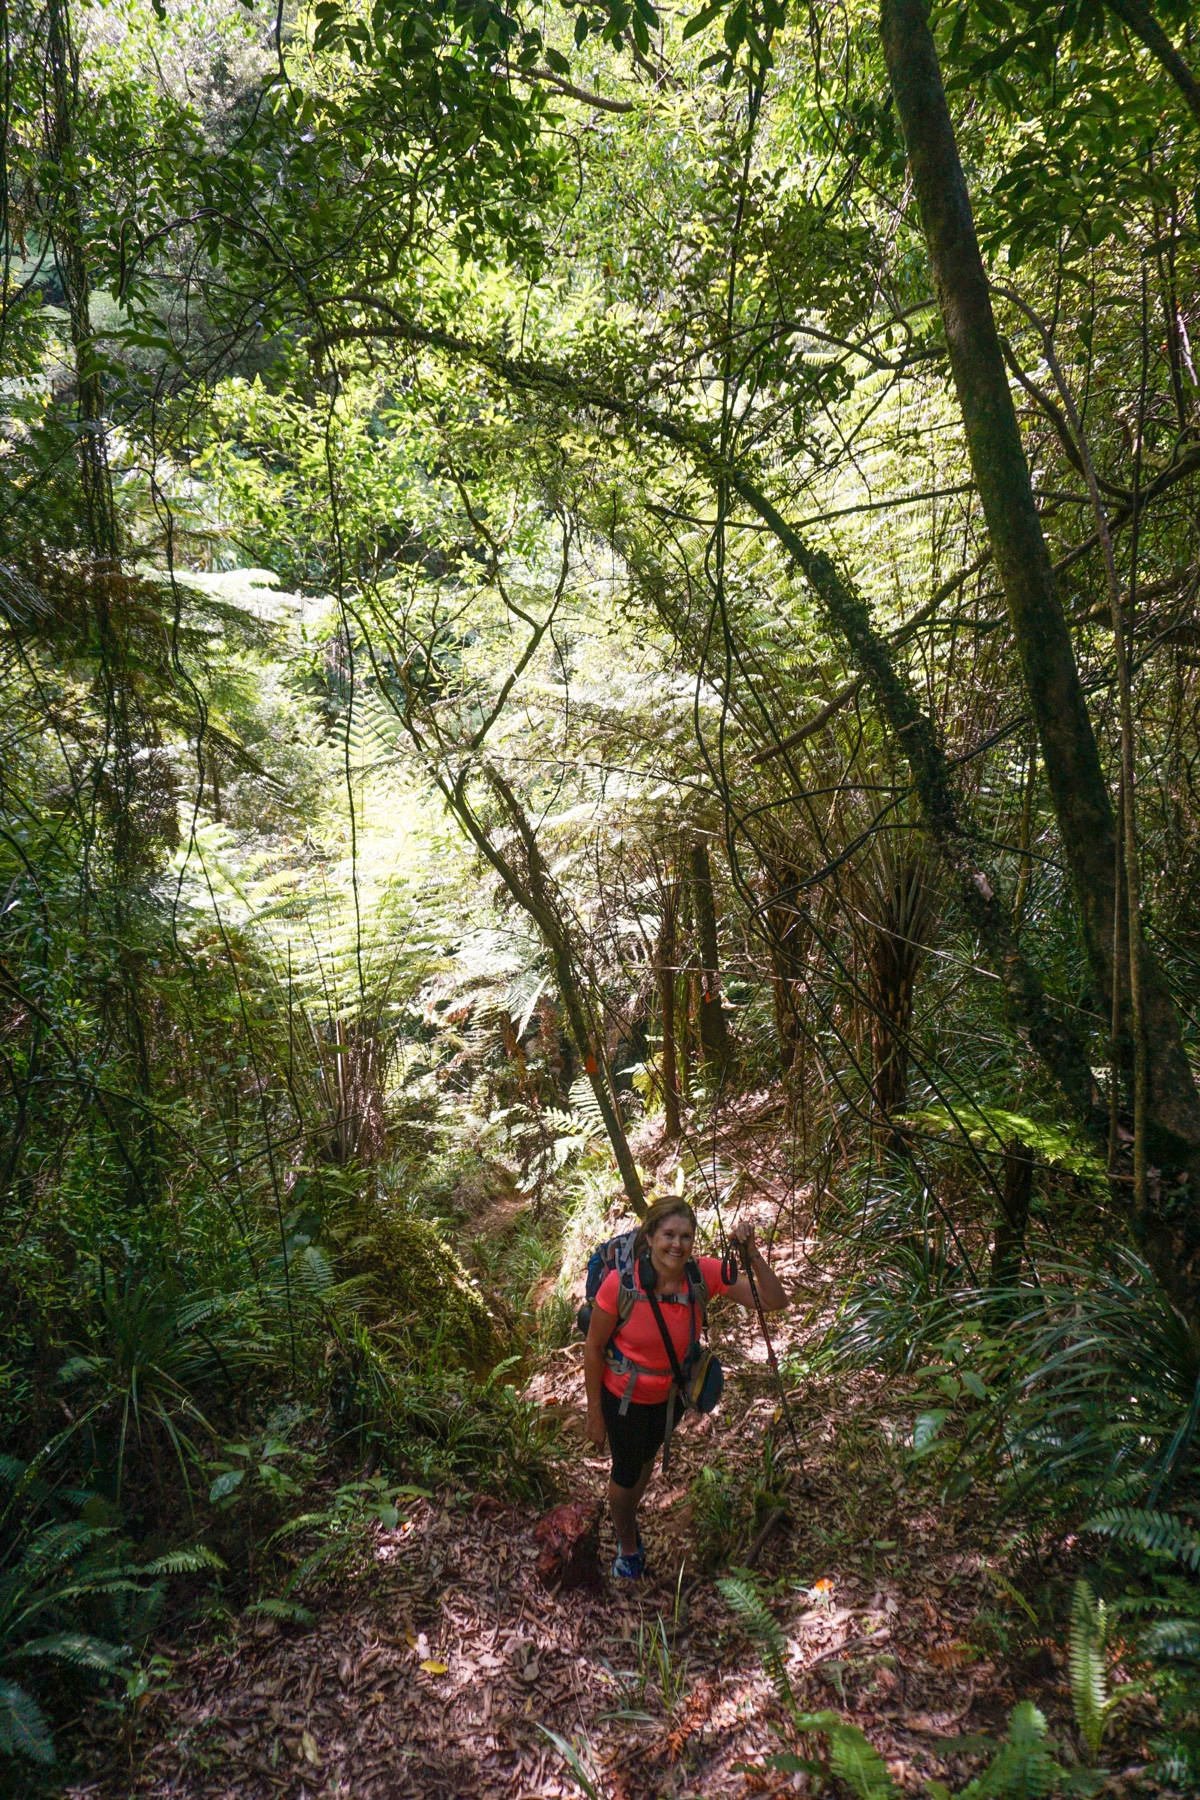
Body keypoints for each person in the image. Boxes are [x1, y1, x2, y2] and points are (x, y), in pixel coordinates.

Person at [583, 1197, 788, 1581]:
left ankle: (628, 1516)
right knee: (626, 1472)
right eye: (668, 1235)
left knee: (645, 1459)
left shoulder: (701, 1275)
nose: (676, 1245)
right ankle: (628, 1544)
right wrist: (595, 1415)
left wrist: (752, 1255)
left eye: (685, 1237)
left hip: (671, 1398)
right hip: (623, 1400)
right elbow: (593, 1348)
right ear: (649, 1237)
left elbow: (774, 1302)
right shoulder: (621, 1285)